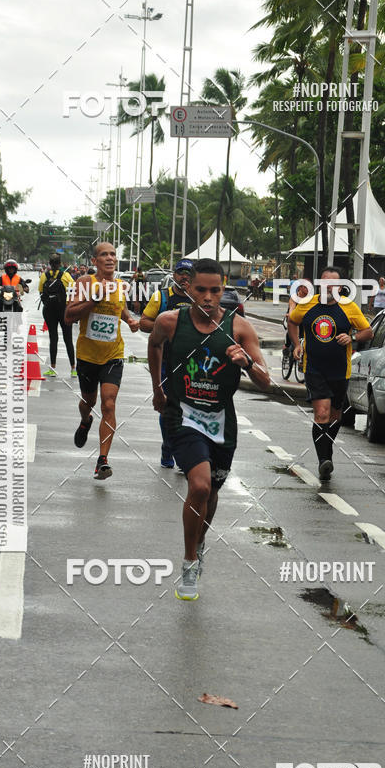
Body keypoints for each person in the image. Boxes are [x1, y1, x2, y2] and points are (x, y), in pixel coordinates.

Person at [148, 257, 270, 600]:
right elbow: (154, 345)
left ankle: (199, 541)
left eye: (215, 290)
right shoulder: (170, 321)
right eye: (200, 290)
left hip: (220, 422)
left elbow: (267, 382)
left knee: (211, 493)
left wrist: (246, 363)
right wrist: (158, 388)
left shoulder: (240, 328)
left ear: (223, 290)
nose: (207, 297)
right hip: (182, 416)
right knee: (198, 486)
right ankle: (188, 564)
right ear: (188, 289)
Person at [288, 267, 373, 481]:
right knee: (322, 414)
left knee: (335, 417)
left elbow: (368, 331)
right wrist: (297, 344)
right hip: (314, 369)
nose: (328, 287)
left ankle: (328, 450)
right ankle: (323, 460)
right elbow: (292, 320)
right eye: (324, 282)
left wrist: (351, 338)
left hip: (340, 371)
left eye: (333, 283)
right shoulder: (307, 303)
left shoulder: (349, 307)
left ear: (340, 287)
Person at [65, 242, 140, 480]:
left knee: (108, 404)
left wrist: (130, 320)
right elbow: (68, 316)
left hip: (113, 355)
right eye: (104, 255)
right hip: (87, 356)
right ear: (95, 261)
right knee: (89, 401)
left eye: (113, 254)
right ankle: (85, 420)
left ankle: (102, 461)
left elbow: (122, 309)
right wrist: (94, 300)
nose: (109, 258)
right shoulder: (85, 284)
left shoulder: (121, 286)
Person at [140, 258, 195, 467]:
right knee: (168, 408)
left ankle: (184, 453)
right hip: (165, 362)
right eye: (181, 273)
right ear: (174, 275)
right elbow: (144, 322)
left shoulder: (197, 299)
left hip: (192, 364)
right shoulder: (161, 297)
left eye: (188, 274)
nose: (184, 277)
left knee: (190, 410)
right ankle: (168, 446)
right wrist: (166, 327)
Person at [38, 255, 77, 377]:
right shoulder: (66, 276)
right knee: (68, 339)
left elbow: (41, 292)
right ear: (60, 264)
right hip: (64, 311)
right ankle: (73, 369)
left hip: (49, 311)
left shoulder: (44, 276)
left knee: (53, 338)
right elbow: (73, 293)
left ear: (49, 263)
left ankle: (53, 368)